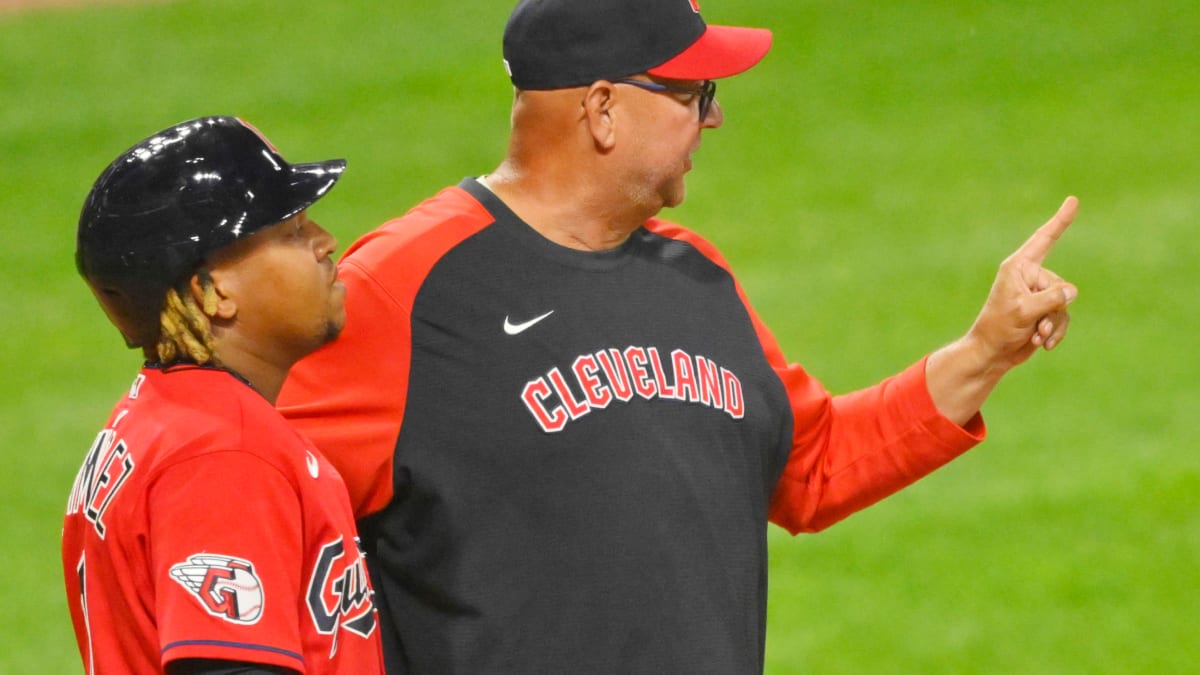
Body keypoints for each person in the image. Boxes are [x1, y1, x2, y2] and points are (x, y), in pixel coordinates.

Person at [278, 0, 1079, 672]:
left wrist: (984, 351)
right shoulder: (404, 288)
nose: (716, 115)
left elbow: (815, 464)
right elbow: (261, 517)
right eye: (696, 91)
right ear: (601, 109)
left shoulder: (695, 278)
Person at [62, 116, 384, 675]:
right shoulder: (224, 455)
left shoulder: (163, 417)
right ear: (211, 291)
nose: (325, 242)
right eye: (291, 232)